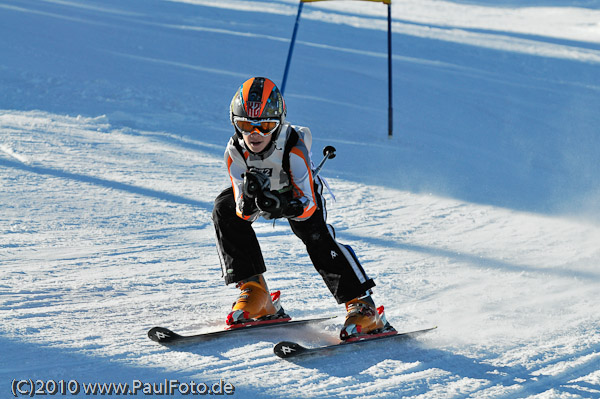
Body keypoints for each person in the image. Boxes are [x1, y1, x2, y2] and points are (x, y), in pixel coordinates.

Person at [212, 77, 389, 339]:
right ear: (234, 123)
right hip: (265, 193)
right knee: (223, 209)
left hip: (297, 193)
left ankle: (362, 305)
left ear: (279, 123)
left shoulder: (293, 148)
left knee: (315, 235)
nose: (255, 134)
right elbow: (242, 210)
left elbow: (307, 203)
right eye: (247, 125)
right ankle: (255, 290)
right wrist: (250, 201)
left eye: (266, 125)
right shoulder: (234, 151)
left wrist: (286, 204)